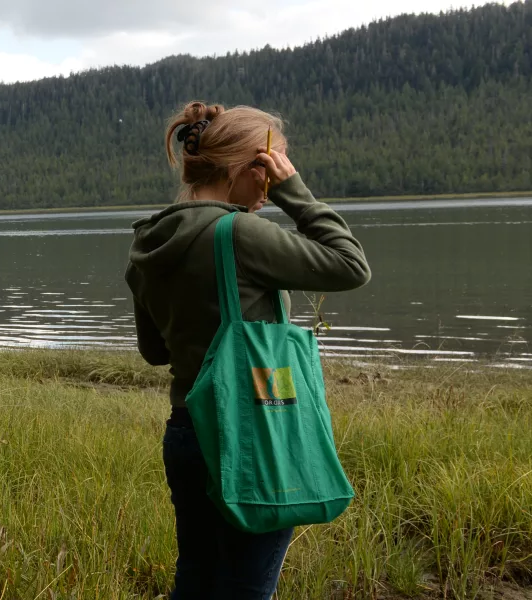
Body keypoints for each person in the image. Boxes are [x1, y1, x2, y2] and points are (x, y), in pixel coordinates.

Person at [125, 102, 370, 599]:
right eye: (269, 171)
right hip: (253, 432)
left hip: (188, 433)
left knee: (195, 580)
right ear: (245, 167)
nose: (268, 188)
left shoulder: (149, 240)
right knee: (248, 588)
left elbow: (154, 351)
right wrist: (294, 193)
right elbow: (351, 266)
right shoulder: (240, 233)